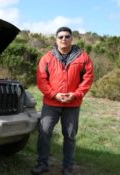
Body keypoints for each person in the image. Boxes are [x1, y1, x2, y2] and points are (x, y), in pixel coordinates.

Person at [31, 27, 94, 175]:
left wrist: (76, 94)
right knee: (44, 132)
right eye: (61, 37)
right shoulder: (47, 57)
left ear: (72, 39)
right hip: (51, 103)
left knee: (70, 135)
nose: (64, 39)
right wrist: (54, 94)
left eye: (67, 36)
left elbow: (88, 79)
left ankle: (68, 167)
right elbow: (41, 80)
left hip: (72, 104)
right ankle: (42, 164)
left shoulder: (83, 57)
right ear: (56, 39)